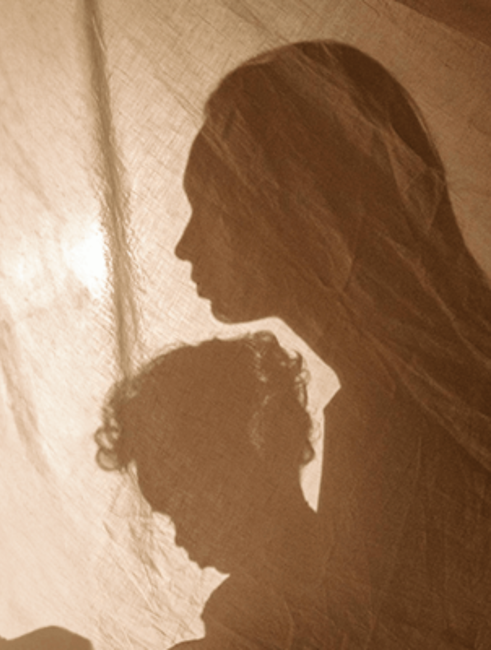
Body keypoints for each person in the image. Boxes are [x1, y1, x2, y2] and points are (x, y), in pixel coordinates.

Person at [175, 41, 491, 648]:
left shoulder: (398, 425)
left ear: (287, 207)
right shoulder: (378, 406)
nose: (184, 246)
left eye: (208, 207)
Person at [95, 332, 338, 648]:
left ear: (239, 467)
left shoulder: (263, 611)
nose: (179, 537)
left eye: (181, 508)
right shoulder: (252, 601)